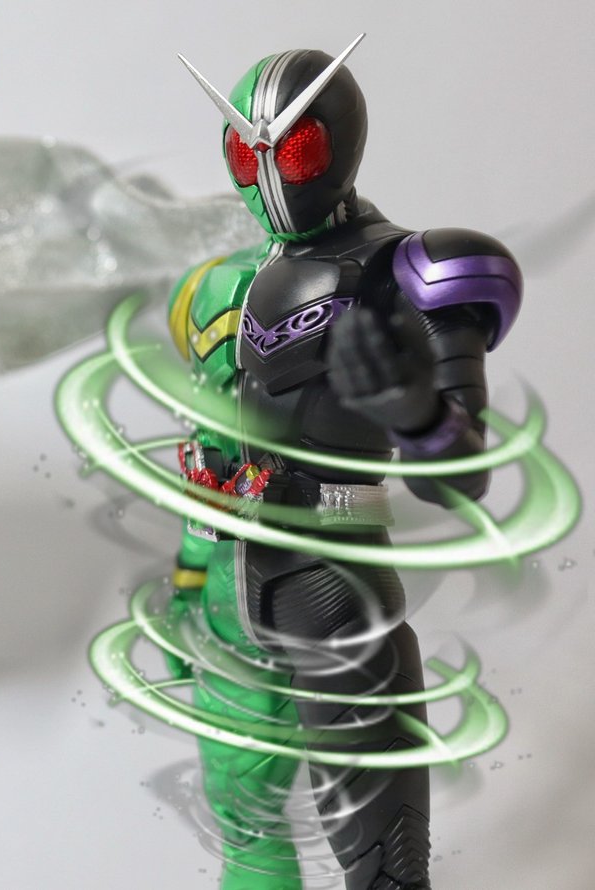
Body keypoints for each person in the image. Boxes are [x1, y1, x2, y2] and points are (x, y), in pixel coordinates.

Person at [166, 36, 521, 890]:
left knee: (382, 865)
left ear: (335, 142)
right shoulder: (222, 288)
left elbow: (464, 474)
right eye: (247, 155)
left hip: (335, 578)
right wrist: (187, 577)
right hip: (236, 589)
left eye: (290, 149)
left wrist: (417, 412)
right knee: (243, 817)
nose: (270, 176)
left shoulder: (408, 270)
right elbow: (214, 449)